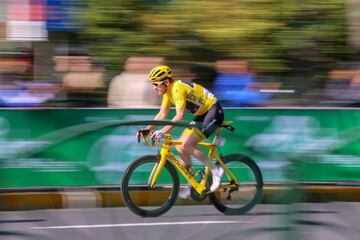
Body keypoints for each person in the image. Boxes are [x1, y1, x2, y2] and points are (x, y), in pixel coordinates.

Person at [136, 65, 225, 199]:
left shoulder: (177, 89)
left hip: (213, 112)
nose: (154, 87)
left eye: (156, 84)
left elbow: (179, 116)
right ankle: (192, 183)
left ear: (166, 82)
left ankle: (215, 169)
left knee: (187, 145)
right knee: (180, 147)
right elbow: (162, 114)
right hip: (203, 114)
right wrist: (147, 130)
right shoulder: (167, 93)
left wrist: (161, 132)